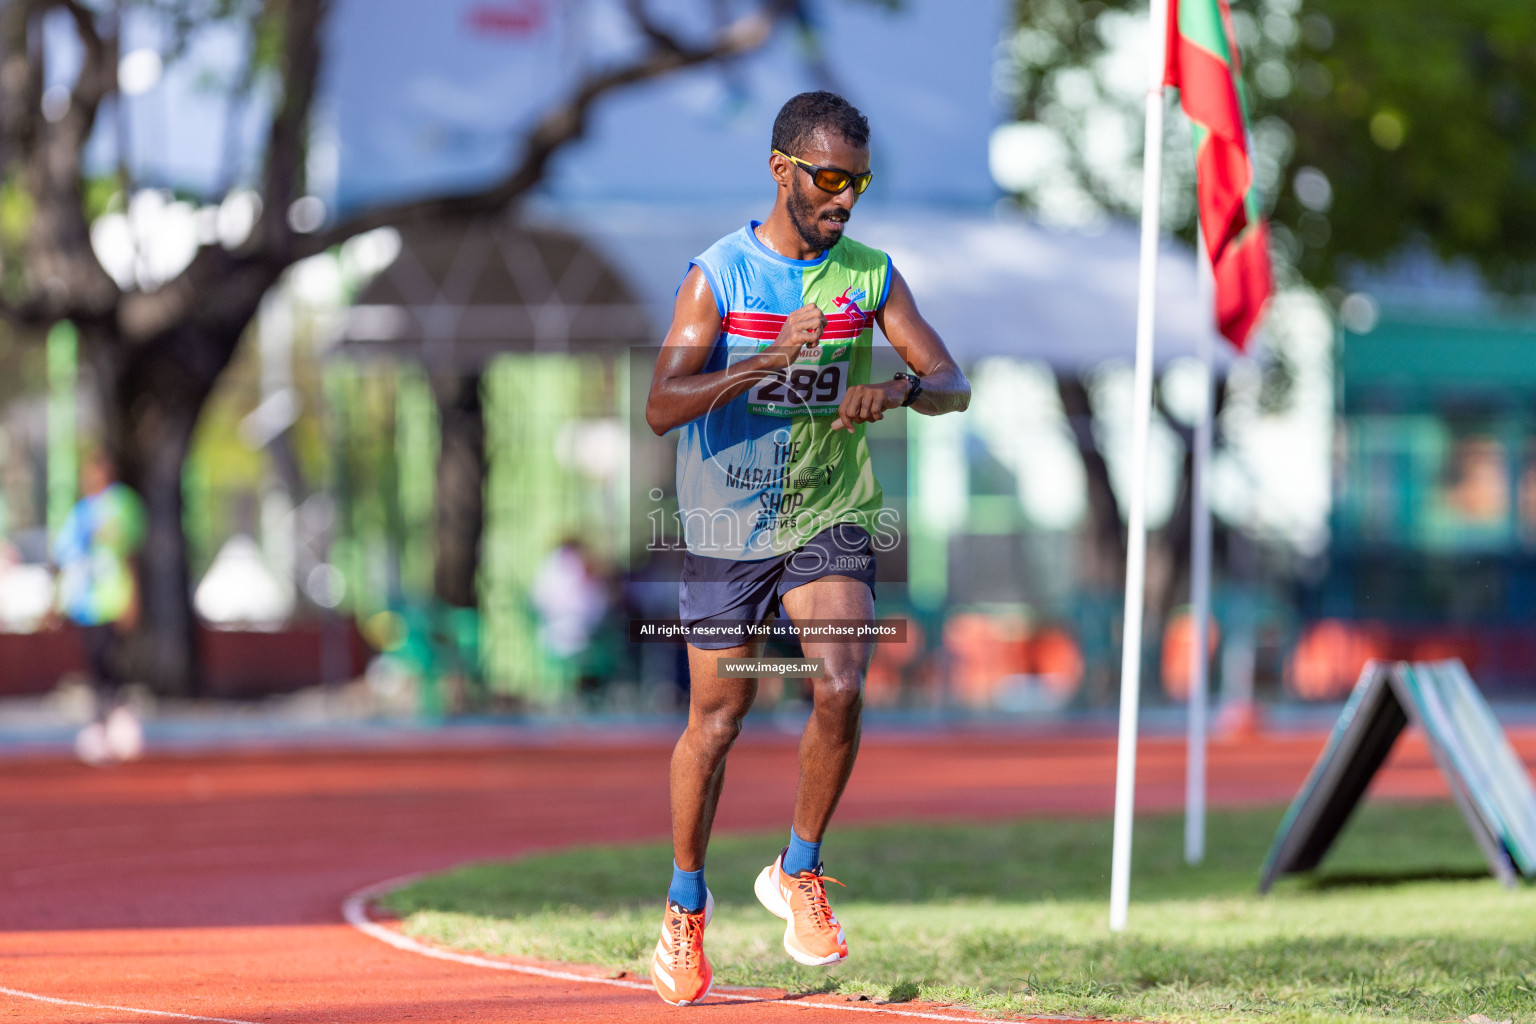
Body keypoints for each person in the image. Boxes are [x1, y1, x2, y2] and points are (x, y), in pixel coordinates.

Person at [644, 91, 970, 1005]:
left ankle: (799, 869)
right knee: (720, 719)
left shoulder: (869, 275)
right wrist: (756, 363)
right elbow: (661, 404)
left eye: (858, 182)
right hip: (724, 525)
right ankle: (685, 905)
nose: (845, 199)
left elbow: (953, 380)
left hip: (829, 516)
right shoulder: (721, 275)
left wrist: (900, 392)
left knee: (840, 680)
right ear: (782, 168)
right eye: (829, 179)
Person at [52, 449, 147, 765]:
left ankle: (115, 718)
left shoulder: (123, 506)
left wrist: (132, 598)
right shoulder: (80, 513)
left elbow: (130, 554)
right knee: (95, 664)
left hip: (113, 599)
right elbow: (65, 557)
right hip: (86, 603)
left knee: (113, 662)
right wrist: (58, 600)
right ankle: (101, 723)